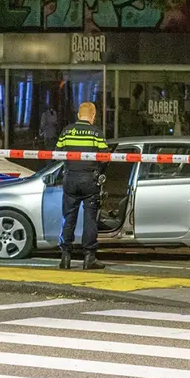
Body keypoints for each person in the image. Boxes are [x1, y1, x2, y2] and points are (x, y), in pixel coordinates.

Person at [56, 101, 110, 270]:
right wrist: (99, 172)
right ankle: (89, 257)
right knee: (90, 220)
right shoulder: (96, 133)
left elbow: (57, 153)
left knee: (68, 218)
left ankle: (65, 257)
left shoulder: (67, 131)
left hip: (70, 178)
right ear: (92, 115)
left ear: (79, 115)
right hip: (90, 180)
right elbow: (105, 157)